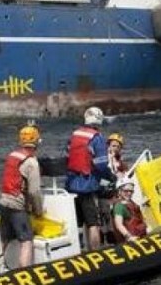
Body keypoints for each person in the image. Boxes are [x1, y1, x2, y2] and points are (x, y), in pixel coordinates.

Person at [65, 106, 115, 251]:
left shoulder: (74, 135)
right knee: (93, 222)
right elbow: (101, 165)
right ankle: (95, 252)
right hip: (88, 185)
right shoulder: (97, 138)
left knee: (79, 222)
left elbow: (68, 157)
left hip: (71, 184)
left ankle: (79, 250)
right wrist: (110, 179)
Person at [0, 124, 44, 268]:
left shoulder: (12, 155)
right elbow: (34, 192)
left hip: (3, 203)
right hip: (17, 206)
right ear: (36, 143)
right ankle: (23, 275)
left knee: (4, 239)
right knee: (26, 240)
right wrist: (38, 211)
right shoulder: (31, 163)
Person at [111, 178, 147, 243]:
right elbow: (119, 225)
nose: (129, 193)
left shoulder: (132, 203)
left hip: (141, 235)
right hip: (131, 240)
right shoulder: (119, 206)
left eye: (131, 191)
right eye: (126, 191)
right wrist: (129, 237)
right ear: (119, 191)